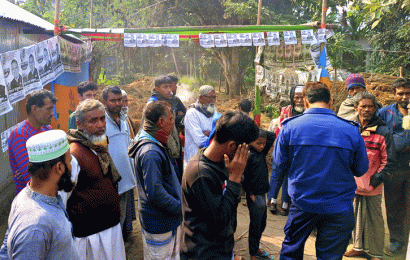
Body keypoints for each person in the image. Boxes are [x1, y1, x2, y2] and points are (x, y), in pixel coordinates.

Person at [274, 82, 369, 260]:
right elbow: (361, 169)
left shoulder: (290, 127)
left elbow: (280, 164)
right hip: (338, 207)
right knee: (330, 257)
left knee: (291, 253)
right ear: (331, 102)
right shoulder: (351, 130)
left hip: (302, 204)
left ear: (306, 102)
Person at [181, 111, 259, 259]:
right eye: (245, 148)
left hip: (221, 248)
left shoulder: (223, 162)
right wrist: (234, 180)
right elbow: (219, 223)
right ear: (231, 146)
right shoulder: (201, 174)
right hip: (204, 253)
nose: (246, 154)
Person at [0, 130, 79, 260]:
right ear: (59, 168)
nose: (71, 166)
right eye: (70, 161)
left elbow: (5, 252)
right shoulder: (36, 227)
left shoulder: (25, 196)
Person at [66, 99, 126, 260]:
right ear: (79, 124)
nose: (100, 125)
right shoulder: (74, 154)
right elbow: (62, 197)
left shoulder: (98, 146)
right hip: (92, 237)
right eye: (93, 120)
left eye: (102, 118)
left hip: (111, 229)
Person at [343, 92, 395, 260]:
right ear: (356, 108)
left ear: (375, 108)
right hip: (353, 183)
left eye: (370, 106)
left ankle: (375, 253)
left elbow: (389, 160)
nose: (366, 109)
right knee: (355, 215)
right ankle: (358, 247)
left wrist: (376, 180)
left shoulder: (383, 131)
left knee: (375, 219)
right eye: (363, 106)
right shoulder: (350, 128)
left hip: (372, 184)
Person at [128, 101, 182, 259]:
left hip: (166, 218)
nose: (173, 122)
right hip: (159, 221)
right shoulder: (151, 151)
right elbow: (156, 193)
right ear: (161, 122)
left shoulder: (155, 140)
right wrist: (180, 207)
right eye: (171, 119)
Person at [377, 77, 410, 256]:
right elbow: (374, 131)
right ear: (394, 95)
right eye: (401, 93)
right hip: (394, 168)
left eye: (408, 93)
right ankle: (397, 241)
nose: (405, 96)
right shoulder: (385, 113)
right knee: (394, 206)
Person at [102, 86, 137, 239]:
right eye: (113, 101)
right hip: (111, 181)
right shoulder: (100, 122)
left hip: (126, 180)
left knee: (121, 221)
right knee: (111, 225)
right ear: (104, 102)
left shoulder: (123, 119)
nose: (117, 104)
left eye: (119, 100)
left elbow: (128, 145)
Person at [8, 89, 56, 193]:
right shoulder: (20, 135)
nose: (52, 113)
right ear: (35, 109)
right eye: (49, 109)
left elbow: (58, 161)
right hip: (32, 199)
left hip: (50, 192)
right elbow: (31, 178)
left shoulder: (47, 129)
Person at [267, 85, 304, 216]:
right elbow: (281, 129)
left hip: (298, 149)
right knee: (277, 172)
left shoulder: (308, 112)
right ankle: (272, 199)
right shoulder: (286, 110)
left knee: (290, 174)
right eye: (296, 97)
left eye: (302, 98)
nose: (299, 101)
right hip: (283, 147)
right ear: (292, 98)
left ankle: (285, 202)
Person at [242, 129, 275, 260]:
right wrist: (250, 194)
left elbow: (272, 136)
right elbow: (244, 177)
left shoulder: (262, 152)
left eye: (264, 143)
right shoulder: (248, 154)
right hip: (254, 195)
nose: (262, 146)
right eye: (259, 143)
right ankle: (252, 253)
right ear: (251, 141)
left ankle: (255, 248)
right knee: (255, 225)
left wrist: (256, 131)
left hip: (262, 193)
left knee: (262, 224)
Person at [145, 75, 182, 181]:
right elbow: (149, 130)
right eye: (165, 87)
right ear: (157, 89)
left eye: (170, 86)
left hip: (173, 152)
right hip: (163, 153)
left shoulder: (168, 102)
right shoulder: (152, 105)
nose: (169, 90)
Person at [184, 85, 217, 164]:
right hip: (195, 159)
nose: (212, 100)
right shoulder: (192, 113)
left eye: (214, 97)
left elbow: (219, 133)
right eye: (209, 97)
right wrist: (213, 135)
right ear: (200, 97)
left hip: (210, 159)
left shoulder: (213, 112)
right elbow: (200, 141)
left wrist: (209, 133)